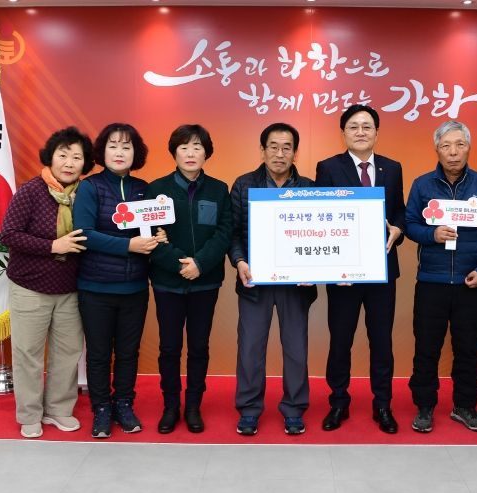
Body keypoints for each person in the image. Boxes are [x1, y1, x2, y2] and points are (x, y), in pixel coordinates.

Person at [405, 120, 477, 433]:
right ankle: (424, 406)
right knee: (426, 349)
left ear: (468, 148)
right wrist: (432, 234)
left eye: (459, 144)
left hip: (471, 282)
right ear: (437, 149)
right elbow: (410, 225)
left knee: (468, 349)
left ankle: (464, 405)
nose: (453, 152)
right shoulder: (422, 185)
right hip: (432, 282)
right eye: (446, 145)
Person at [315, 104, 405, 434]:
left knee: (381, 342)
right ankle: (338, 402)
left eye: (367, 126)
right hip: (343, 274)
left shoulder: (392, 168)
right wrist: (329, 267)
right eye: (353, 126)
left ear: (377, 133)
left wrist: (398, 229)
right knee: (341, 341)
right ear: (343, 133)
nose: (361, 132)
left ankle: (383, 404)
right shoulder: (328, 167)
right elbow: (320, 216)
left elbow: (400, 211)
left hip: (382, 270)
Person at [1, 126, 92, 438]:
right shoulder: (31, 191)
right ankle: (29, 414)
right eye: (63, 155)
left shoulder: (86, 194)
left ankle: (58, 409)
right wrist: (54, 245)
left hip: (71, 288)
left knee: (67, 353)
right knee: (28, 353)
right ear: (50, 157)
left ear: (85, 163)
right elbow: (9, 235)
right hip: (30, 287)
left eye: (77, 157)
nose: (69, 162)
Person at [73, 123, 161, 438]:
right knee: (98, 354)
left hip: (135, 287)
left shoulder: (144, 189)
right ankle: (101, 409)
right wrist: (128, 246)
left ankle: (124, 403)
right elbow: (84, 234)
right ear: (102, 151)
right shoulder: (90, 187)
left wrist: (159, 236)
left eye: (126, 146)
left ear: (136, 153)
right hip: (95, 288)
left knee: (128, 353)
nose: (119, 152)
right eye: (113, 146)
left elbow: (152, 231)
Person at [229, 123, 317, 436]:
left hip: (296, 285)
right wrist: (239, 261)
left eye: (286, 147)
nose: (280, 154)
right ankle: (249, 409)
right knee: (250, 349)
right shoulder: (243, 185)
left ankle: (294, 409)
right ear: (263, 149)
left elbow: (317, 235)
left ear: (295, 152)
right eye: (273, 147)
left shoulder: (309, 188)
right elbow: (233, 232)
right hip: (255, 281)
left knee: (296, 349)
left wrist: (314, 270)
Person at [147, 124, 233, 434]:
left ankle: (194, 405)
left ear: (206, 152)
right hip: (167, 282)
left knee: (199, 347)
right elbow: (150, 236)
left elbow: (224, 232)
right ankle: (171, 406)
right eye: (184, 147)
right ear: (174, 152)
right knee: (169, 348)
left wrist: (200, 263)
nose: (191, 153)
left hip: (205, 281)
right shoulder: (156, 190)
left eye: (197, 147)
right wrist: (178, 264)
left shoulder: (219, 189)